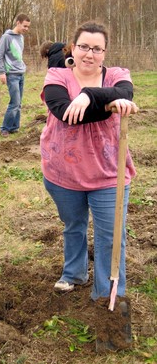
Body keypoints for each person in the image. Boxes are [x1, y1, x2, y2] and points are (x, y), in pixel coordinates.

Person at [40, 21, 138, 301]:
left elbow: (126, 93)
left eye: (97, 49)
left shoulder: (118, 75)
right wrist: (107, 103)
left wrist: (89, 95)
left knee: (111, 236)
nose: (89, 54)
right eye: (83, 46)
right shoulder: (57, 77)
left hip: (108, 173)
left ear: (104, 53)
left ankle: (107, 295)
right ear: (73, 48)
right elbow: (65, 113)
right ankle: (74, 273)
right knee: (74, 226)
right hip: (63, 173)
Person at [0, 13, 31, 137]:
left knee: (19, 103)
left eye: (28, 27)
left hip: (21, 73)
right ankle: (4, 128)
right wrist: (1, 72)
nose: (26, 29)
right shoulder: (6, 37)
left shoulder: (21, 37)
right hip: (11, 75)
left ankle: (14, 127)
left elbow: (17, 56)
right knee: (14, 102)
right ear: (18, 23)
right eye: (25, 26)